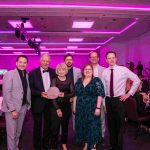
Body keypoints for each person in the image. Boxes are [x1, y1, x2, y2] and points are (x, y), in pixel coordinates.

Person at [102, 51, 140, 150]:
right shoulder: (105, 72)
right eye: (109, 58)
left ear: (116, 58)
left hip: (119, 100)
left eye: (113, 57)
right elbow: (104, 88)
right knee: (111, 125)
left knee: (119, 125)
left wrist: (129, 94)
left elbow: (137, 80)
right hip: (108, 100)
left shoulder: (123, 69)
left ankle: (119, 147)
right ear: (106, 60)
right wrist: (104, 102)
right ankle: (112, 145)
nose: (111, 59)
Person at [1, 55, 31, 150]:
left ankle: (15, 147)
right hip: (12, 109)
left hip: (22, 107)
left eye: (24, 62)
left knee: (18, 132)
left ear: (27, 64)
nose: (22, 64)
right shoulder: (9, 74)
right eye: (20, 62)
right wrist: (13, 109)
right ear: (16, 63)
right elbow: (6, 93)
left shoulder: (26, 75)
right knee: (11, 133)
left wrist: (26, 105)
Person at [73, 64, 105, 150]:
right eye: (86, 69)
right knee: (83, 126)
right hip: (80, 108)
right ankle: (86, 144)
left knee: (93, 126)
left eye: (89, 69)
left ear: (92, 71)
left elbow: (100, 95)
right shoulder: (79, 81)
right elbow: (76, 95)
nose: (87, 71)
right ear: (83, 71)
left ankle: (93, 145)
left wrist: (98, 108)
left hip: (92, 108)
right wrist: (74, 107)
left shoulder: (96, 80)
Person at [29, 54, 56, 150]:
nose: (45, 62)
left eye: (47, 61)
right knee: (37, 125)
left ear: (50, 62)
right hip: (37, 103)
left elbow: (56, 86)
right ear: (40, 61)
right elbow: (30, 89)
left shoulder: (54, 72)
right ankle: (37, 146)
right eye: (44, 60)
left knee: (48, 125)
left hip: (50, 103)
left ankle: (46, 144)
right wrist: (40, 93)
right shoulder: (32, 73)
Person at [51, 63, 75, 150]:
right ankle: (53, 146)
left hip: (66, 106)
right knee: (55, 127)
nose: (61, 71)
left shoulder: (69, 80)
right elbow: (52, 96)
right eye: (60, 70)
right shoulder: (54, 80)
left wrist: (64, 95)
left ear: (66, 71)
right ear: (57, 71)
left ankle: (64, 143)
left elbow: (72, 92)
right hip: (55, 105)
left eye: (63, 69)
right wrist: (57, 109)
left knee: (65, 127)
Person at [89, 51, 106, 141]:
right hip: (89, 99)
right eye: (92, 57)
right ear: (89, 59)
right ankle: (91, 136)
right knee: (90, 118)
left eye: (96, 56)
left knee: (101, 118)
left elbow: (105, 86)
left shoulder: (104, 70)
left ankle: (102, 136)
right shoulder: (86, 69)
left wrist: (104, 101)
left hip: (100, 98)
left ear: (98, 58)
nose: (94, 58)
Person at [64, 53, 81, 131]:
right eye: (67, 60)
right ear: (64, 61)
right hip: (64, 98)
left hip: (75, 98)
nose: (69, 61)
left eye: (70, 59)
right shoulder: (61, 70)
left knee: (76, 118)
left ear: (73, 61)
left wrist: (75, 97)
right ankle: (62, 136)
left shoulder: (78, 71)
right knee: (63, 118)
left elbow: (80, 85)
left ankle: (76, 135)